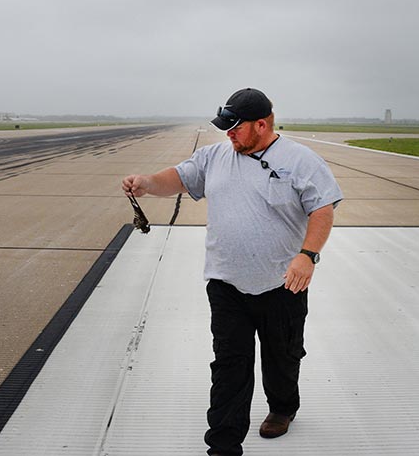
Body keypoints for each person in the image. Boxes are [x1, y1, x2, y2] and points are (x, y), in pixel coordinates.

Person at [121, 87, 343, 456]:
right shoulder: (214, 157)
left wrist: (307, 255)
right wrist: (147, 183)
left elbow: (323, 209)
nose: (229, 133)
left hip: (282, 285)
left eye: (236, 127)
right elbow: (177, 177)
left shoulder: (301, 160)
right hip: (226, 283)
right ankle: (224, 446)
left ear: (261, 124)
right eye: (226, 127)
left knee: (282, 357)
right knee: (229, 366)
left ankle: (283, 408)